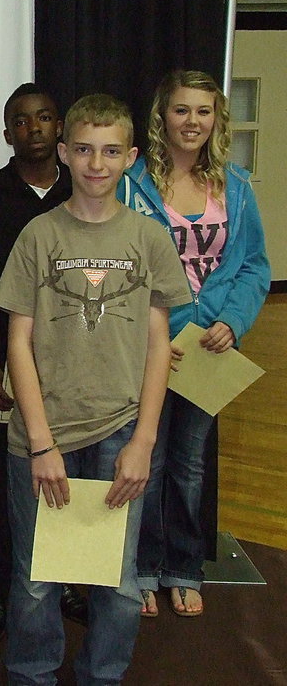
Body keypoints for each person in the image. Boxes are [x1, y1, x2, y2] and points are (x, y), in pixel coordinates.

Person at [0, 94, 192, 684]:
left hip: (121, 431)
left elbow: (160, 346)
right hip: (43, 432)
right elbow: (17, 345)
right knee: (35, 580)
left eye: (109, 152)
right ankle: (32, 674)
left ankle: (102, 675)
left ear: (130, 157)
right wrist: (40, 442)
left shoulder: (150, 240)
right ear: (63, 153)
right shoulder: (37, 236)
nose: (95, 164)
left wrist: (145, 441)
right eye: (82, 150)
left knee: (120, 581)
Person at [118, 70, 270, 618]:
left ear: (216, 119)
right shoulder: (129, 183)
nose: (192, 122)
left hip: (209, 350)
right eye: (181, 110)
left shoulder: (236, 187)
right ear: (162, 115)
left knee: (190, 464)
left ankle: (183, 568)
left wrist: (233, 320)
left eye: (203, 112)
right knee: (145, 459)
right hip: (150, 346)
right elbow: (111, 267)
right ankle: (137, 570)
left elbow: (254, 266)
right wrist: (146, 333)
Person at [0, 83, 82, 642]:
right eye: (21, 121)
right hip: (2, 372)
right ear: (7, 133)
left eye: (44, 118)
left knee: (71, 478)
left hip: (73, 373)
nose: (33, 128)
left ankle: (71, 581)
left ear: (60, 128)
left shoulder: (86, 194)